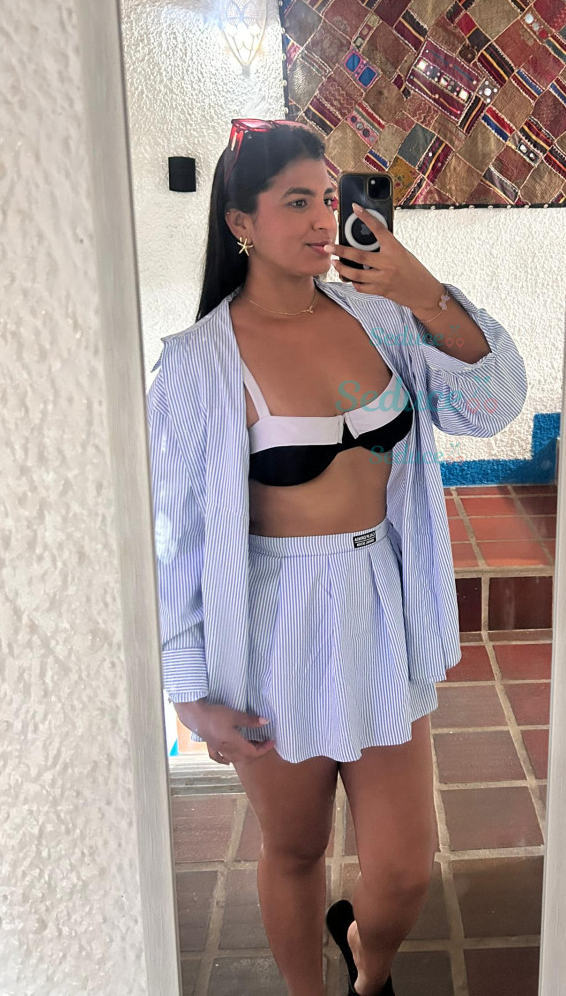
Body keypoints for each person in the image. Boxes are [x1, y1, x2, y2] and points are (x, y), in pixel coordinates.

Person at [146, 118, 527, 996]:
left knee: (402, 871)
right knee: (295, 849)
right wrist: (190, 692)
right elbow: (176, 536)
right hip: (275, 626)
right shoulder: (199, 365)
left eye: (329, 197)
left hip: (379, 605)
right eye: (296, 202)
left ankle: (366, 960)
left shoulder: (384, 320)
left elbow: (491, 404)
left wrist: (426, 293)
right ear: (240, 223)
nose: (324, 220)